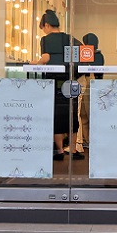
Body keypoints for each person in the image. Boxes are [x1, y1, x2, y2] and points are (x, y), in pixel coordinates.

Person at [38, 10, 80, 157]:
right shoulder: (69, 38)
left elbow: (46, 58)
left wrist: (36, 63)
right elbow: (80, 54)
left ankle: (60, 150)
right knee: (72, 116)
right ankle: (73, 149)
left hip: (54, 81)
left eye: (43, 28)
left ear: (47, 25)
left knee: (56, 115)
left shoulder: (46, 40)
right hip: (70, 81)